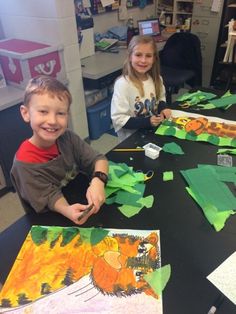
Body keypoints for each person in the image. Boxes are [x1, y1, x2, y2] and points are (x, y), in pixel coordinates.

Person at [11, 75, 108, 225]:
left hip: (76, 198)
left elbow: (98, 159)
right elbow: (49, 197)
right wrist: (68, 210)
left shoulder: (67, 138)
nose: (52, 121)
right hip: (51, 220)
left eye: (60, 113)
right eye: (43, 111)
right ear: (26, 113)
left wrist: (98, 181)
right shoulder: (24, 163)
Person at [111, 35, 171, 142]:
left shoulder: (157, 79)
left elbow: (161, 98)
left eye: (148, 56)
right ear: (130, 56)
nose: (143, 60)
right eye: (138, 55)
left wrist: (163, 108)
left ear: (154, 59)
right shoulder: (123, 84)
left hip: (152, 134)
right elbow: (118, 119)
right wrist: (147, 122)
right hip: (132, 140)